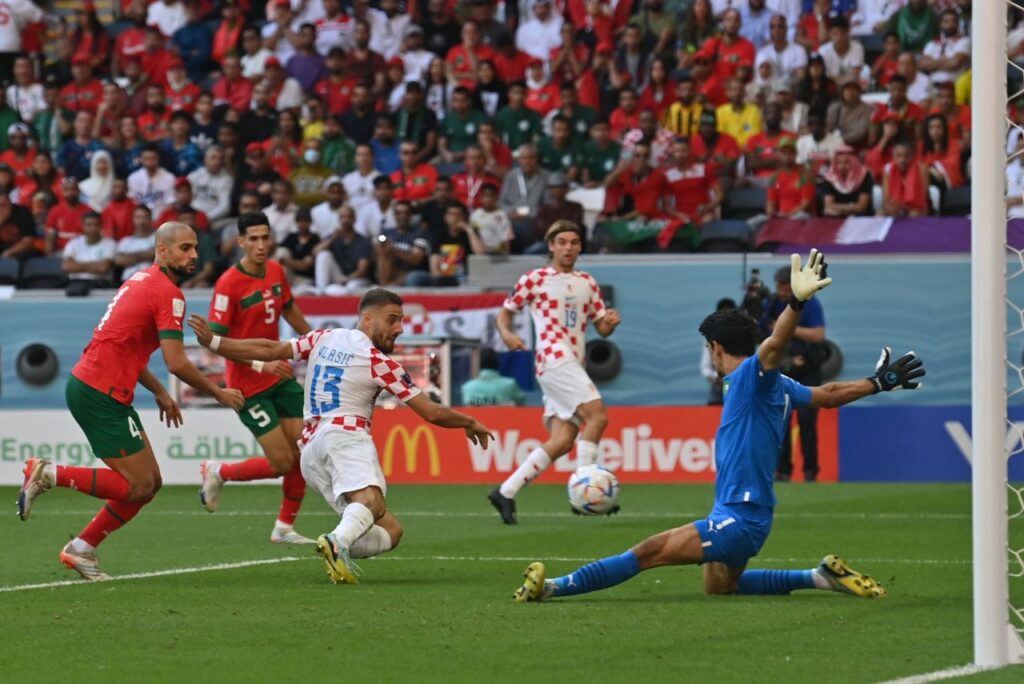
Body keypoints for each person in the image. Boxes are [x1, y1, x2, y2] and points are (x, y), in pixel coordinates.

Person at [513, 249, 926, 603]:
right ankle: (819, 576)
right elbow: (831, 394)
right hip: (745, 511)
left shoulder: (751, 375)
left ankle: (552, 588)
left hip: (740, 517)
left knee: (649, 552)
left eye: (707, 347)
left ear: (716, 348)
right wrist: (878, 382)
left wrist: (795, 304)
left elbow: (773, 349)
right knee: (719, 587)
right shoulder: (776, 385)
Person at [187, 288, 494, 584]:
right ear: (367, 318)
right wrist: (470, 422)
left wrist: (214, 342)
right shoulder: (378, 362)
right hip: (344, 436)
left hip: (311, 452)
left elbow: (271, 349)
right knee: (372, 502)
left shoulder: (325, 337)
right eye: (392, 319)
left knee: (390, 531)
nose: (399, 328)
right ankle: (337, 542)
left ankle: (334, 542)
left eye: (401, 320)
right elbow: (431, 412)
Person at [18, 222, 245, 580]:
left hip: (98, 387)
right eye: (185, 248)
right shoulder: (168, 293)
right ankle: (48, 474)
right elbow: (177, 361)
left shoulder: (140, 280)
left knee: (150, 484)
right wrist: (218, 392)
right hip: (99, 392)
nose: (194, 255)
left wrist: (157, 390)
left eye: (195, 247)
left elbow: (127, 346)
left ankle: (82, 549)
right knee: (136, 485)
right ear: (162, 250)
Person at [489, 221, 622, 524]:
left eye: (574, 242)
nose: (568, 247)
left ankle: (505, 492)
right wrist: (507, 334)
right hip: (553, 357)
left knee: (563, 439)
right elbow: (505, 312)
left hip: (573, 360)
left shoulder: (587, 282)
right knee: (598, 416)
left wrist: (609, 324)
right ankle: (585, 492)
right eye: (561, 241)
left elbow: (601, 326)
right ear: (550, 245)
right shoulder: (536, 279)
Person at [198, 211, 316, 544]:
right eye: (254, 239)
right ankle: (219, 471)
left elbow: (289, 309)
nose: (261, 245)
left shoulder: (276, 271)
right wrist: (261, 364)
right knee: (280, 462)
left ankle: (284, 528)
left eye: (266, 237)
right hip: (248, 385)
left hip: (280, 378)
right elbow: (215, 343)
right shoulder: (228, 284)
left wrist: (315, 343)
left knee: (301, 453)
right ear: (241, 242)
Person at [760, 265, 827, 482]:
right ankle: (783, 471)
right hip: (782, 369)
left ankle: (810, 471)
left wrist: (785, 327)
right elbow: (761, 329)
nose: (783, 292)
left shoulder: (811, 303)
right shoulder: (771, 304)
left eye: (786, 288)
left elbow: (818, 335)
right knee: (780, 422)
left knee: (807, 421)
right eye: (780, 288)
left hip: (808, 370)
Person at [61, 211, 116, 287]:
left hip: (99, 284)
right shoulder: (74, 243)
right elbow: (66, 266)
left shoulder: (110, 243)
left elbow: (103, 268)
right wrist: (95, 265)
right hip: (74, 283)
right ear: (83, 226)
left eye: (95, 225)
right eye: (89, 225)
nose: (92, 228)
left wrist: (76, 265)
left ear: (101, 226)